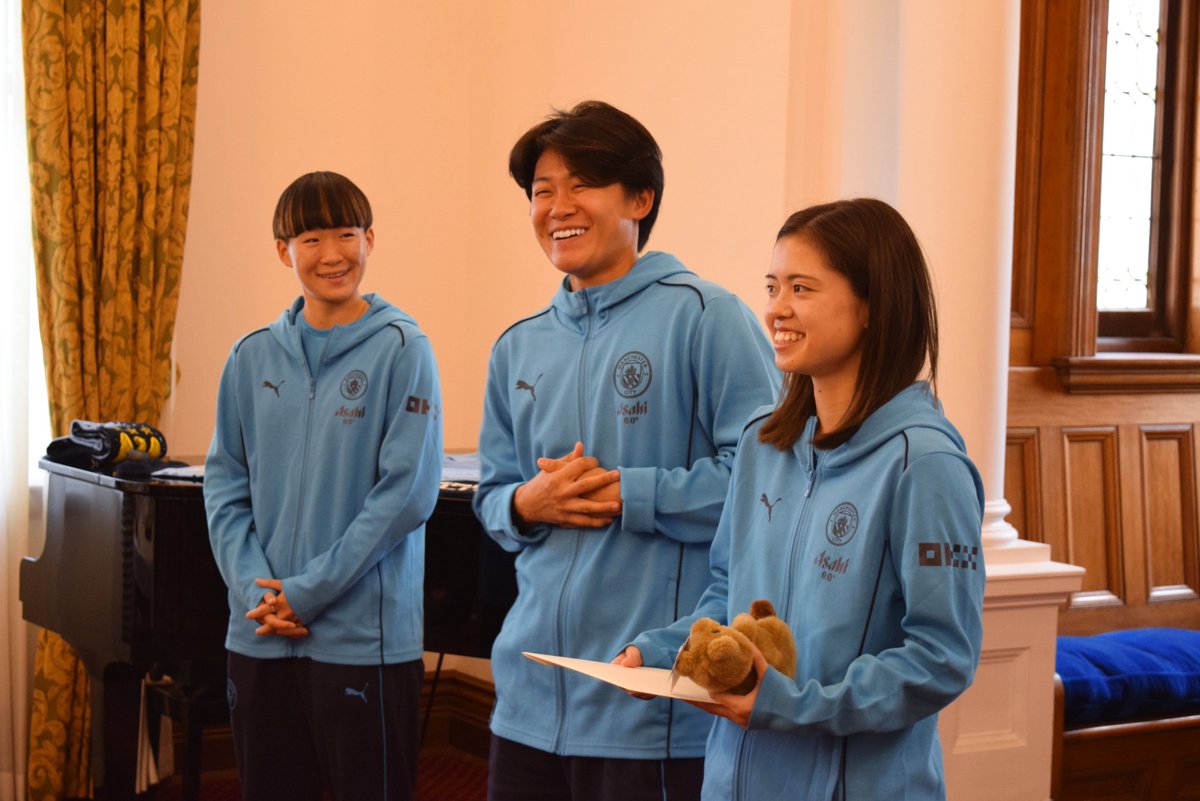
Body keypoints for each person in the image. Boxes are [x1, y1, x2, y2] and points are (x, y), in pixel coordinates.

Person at [620, 198, 987, 800]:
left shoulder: (926, 464)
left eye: (801, 288)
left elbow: (942, 657)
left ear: (871, 307)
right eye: (772, 286)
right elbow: (728, 595)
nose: (775, 309)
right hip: (732, 781)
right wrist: (661, 651)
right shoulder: (761, 442)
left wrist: (796, 705)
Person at [473, 100, 779, 801]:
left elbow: (768, 488)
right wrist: (526, 503)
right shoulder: (517, 345)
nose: (558, 207)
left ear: (641, 199)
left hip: (651, 700)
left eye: (582, 184)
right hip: (528, 697)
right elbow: (491, 496)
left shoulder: (706, 315)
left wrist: (630, 494)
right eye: (542, 190)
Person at [204, 171, 442, 801]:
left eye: (345, 234)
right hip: (259, 632)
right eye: (311, 238)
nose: (332, 254)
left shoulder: (403, 348)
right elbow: (225, 485)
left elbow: (406, 495)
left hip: (363, 643)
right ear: (284, 250)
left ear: (370, 240)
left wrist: (306, 594)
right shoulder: (249, 356)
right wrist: (258, 592)